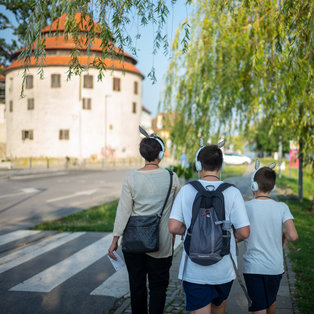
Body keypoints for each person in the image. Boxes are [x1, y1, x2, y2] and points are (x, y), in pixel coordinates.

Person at [169, 144, 250, 314]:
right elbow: (244, 232)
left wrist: (193, 232)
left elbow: (174, 226)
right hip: (224, 270)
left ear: (199, 166)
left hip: (193, 270)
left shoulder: (186, 191)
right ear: (221, 166)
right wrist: (226, 237)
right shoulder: (233, 192)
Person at [108, 134, 180, 314]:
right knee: (158, 288)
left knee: (137, 287)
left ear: (143, 154)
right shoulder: (172, 178)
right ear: (160, 154)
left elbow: (123, 210)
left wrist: (115, 239)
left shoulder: (131, 178)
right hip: (162, 244)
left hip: (134, 244)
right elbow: (178, 211)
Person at [243, 165, 298, 314]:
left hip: (253, 268)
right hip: (275, 268)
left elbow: (239, 234)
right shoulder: (282, 207)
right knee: (271, 303)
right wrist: (284, 235)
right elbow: (293, 235)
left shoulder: (246, 207)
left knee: (259, 308)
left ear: (254, 185)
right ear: (272, 187)